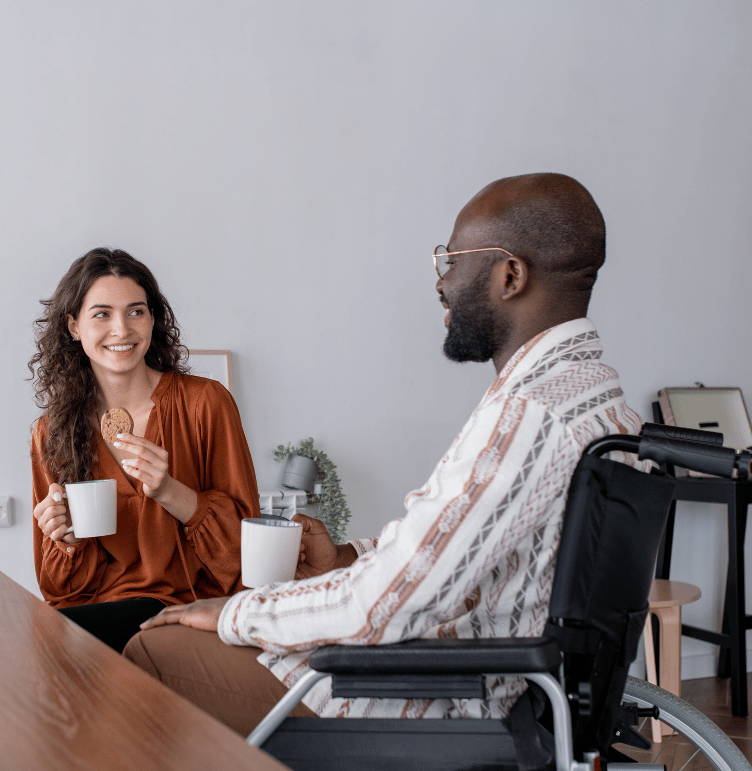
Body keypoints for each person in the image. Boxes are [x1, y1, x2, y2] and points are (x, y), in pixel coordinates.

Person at [123, 173, 644, 735]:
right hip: (498, 676)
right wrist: (343, 558)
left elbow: (381, 605)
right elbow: (447, 548)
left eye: (451, 260)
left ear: (510, 275)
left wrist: (234, 613)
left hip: (445, 697)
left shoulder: (528, 416)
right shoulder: (600, 404)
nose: (441, 283)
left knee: (152, 652)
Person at [30, 248, 259, 652]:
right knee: (31, 638)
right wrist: (65, 539)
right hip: (101, 611)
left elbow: (246, 555)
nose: (122, 329)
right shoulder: (53, 433)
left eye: (136, 311)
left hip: (188, 608)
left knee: (47, 646)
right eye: (102, 314)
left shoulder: (205, 403)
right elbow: (58, 592)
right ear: (73, 327)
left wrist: (170, 490)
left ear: (153, 319)